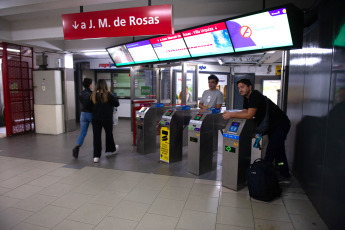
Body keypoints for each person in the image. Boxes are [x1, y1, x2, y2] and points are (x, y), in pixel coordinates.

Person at [222, 78, 292, 183]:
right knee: (279, 150)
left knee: (271, 151)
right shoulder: (246, 97)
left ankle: (263, 178)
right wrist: (233, 114)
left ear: (250, 87)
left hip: (280, 124)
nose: (240, 90)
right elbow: (245, 111)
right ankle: (284, 173)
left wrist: (231, 115)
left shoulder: (255, 95)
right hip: (273, 126)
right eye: (239, 88)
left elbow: (249, 115)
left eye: (242, 87)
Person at [91, 79, 120, 163]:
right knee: (109, 134)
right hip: (107, 118)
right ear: (105, 85)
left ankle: (96, 156)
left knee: (96, 137)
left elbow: (88, 106)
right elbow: (116, 103)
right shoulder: (108, 94)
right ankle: (111, 149)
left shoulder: (93, 94)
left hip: (95, 118)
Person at [73, 78, 93, 159]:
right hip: (91, 114)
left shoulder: (81, 93)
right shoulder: (91, 93)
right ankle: (97, 150)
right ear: (90, 84)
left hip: (83, 114)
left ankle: (77, 147)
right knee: (96, 131)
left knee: (82, 132)